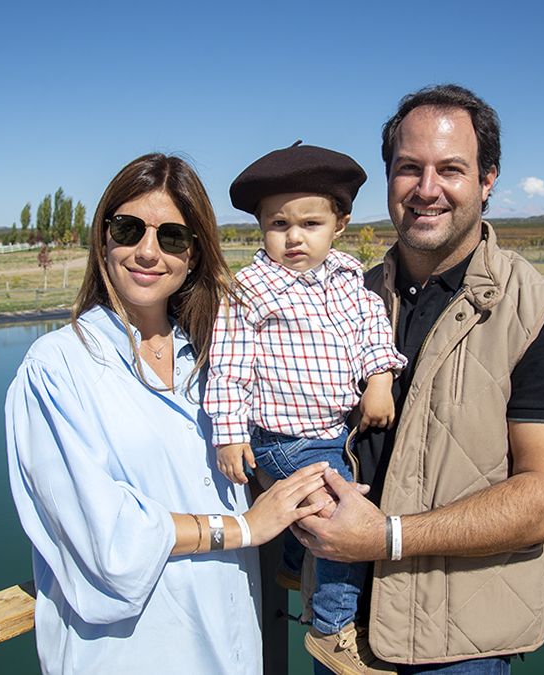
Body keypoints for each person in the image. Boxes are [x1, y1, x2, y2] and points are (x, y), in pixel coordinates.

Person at [293, 84, 544, 674]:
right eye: (409, 167)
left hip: (456, 651)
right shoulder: (344, 298)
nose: (426, 189)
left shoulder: (539, 313)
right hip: (338, 629)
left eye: (451, 169)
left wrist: (387, 538)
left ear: (487, 181)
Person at [5, 153, 333, 674]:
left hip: (231, 651)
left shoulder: (213, 357)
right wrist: (244, 528)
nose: (147, 251)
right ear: (103, 238)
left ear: (194, 254)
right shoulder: (58, 368)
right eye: (128, 229)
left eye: (173, 237)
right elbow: (105, 538)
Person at [205, 142, 407, 674]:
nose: (294, 237)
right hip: (284, 439)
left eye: (310, 223)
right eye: (279, 224)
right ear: (261, 228)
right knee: (342, 518)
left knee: (324, 510)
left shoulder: (350, 281)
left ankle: (294, 565)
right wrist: (230, 433)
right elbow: (228, 367)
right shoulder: (250, 290)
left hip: (333, 431)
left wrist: (380, 380)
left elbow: (373, 334)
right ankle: (333, 628)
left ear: (339, 224)